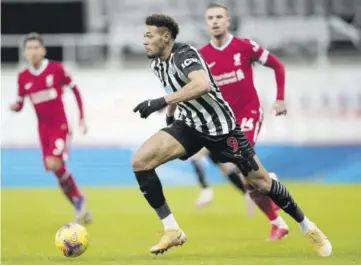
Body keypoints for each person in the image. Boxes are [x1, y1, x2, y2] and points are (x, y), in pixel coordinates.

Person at [132, 13, 331, 257]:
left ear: (165, 37)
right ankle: (172, 229)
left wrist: (160, 102)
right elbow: (177, 90)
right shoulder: (156, 62)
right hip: (191, 126)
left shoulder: (186, 54)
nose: (144, 40)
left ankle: (307, 226)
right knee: (141, 161)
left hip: (222, 129)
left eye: (148, 35)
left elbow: (201, 84)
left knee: (261, 182)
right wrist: (170, 116)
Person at [188, 3, 289, 241]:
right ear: (206, 23)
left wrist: (280, 98)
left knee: (241, 160)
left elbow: (277, 65)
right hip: (225, 120)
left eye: (218, 17)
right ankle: (278, 222)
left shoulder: (244, 46)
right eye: (210, 18)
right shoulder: (202, 56)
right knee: (249, 180)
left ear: (228, 20)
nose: (214, 21)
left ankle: (269, 182)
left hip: (249, 113)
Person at [9, 32, 91, 224]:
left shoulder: (55, 69)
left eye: (37, 47)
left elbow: (75, 90)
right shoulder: (23, 77)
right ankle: (80, 207)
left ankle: (78, 199)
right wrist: (15, 107)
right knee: (55, 169)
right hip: (43, 129)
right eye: (29, 48)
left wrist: (81, 118)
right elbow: (20, 103)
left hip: (60, 125)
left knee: (55, 163)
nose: (33, 51)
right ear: (24, 53)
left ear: (43, 50)